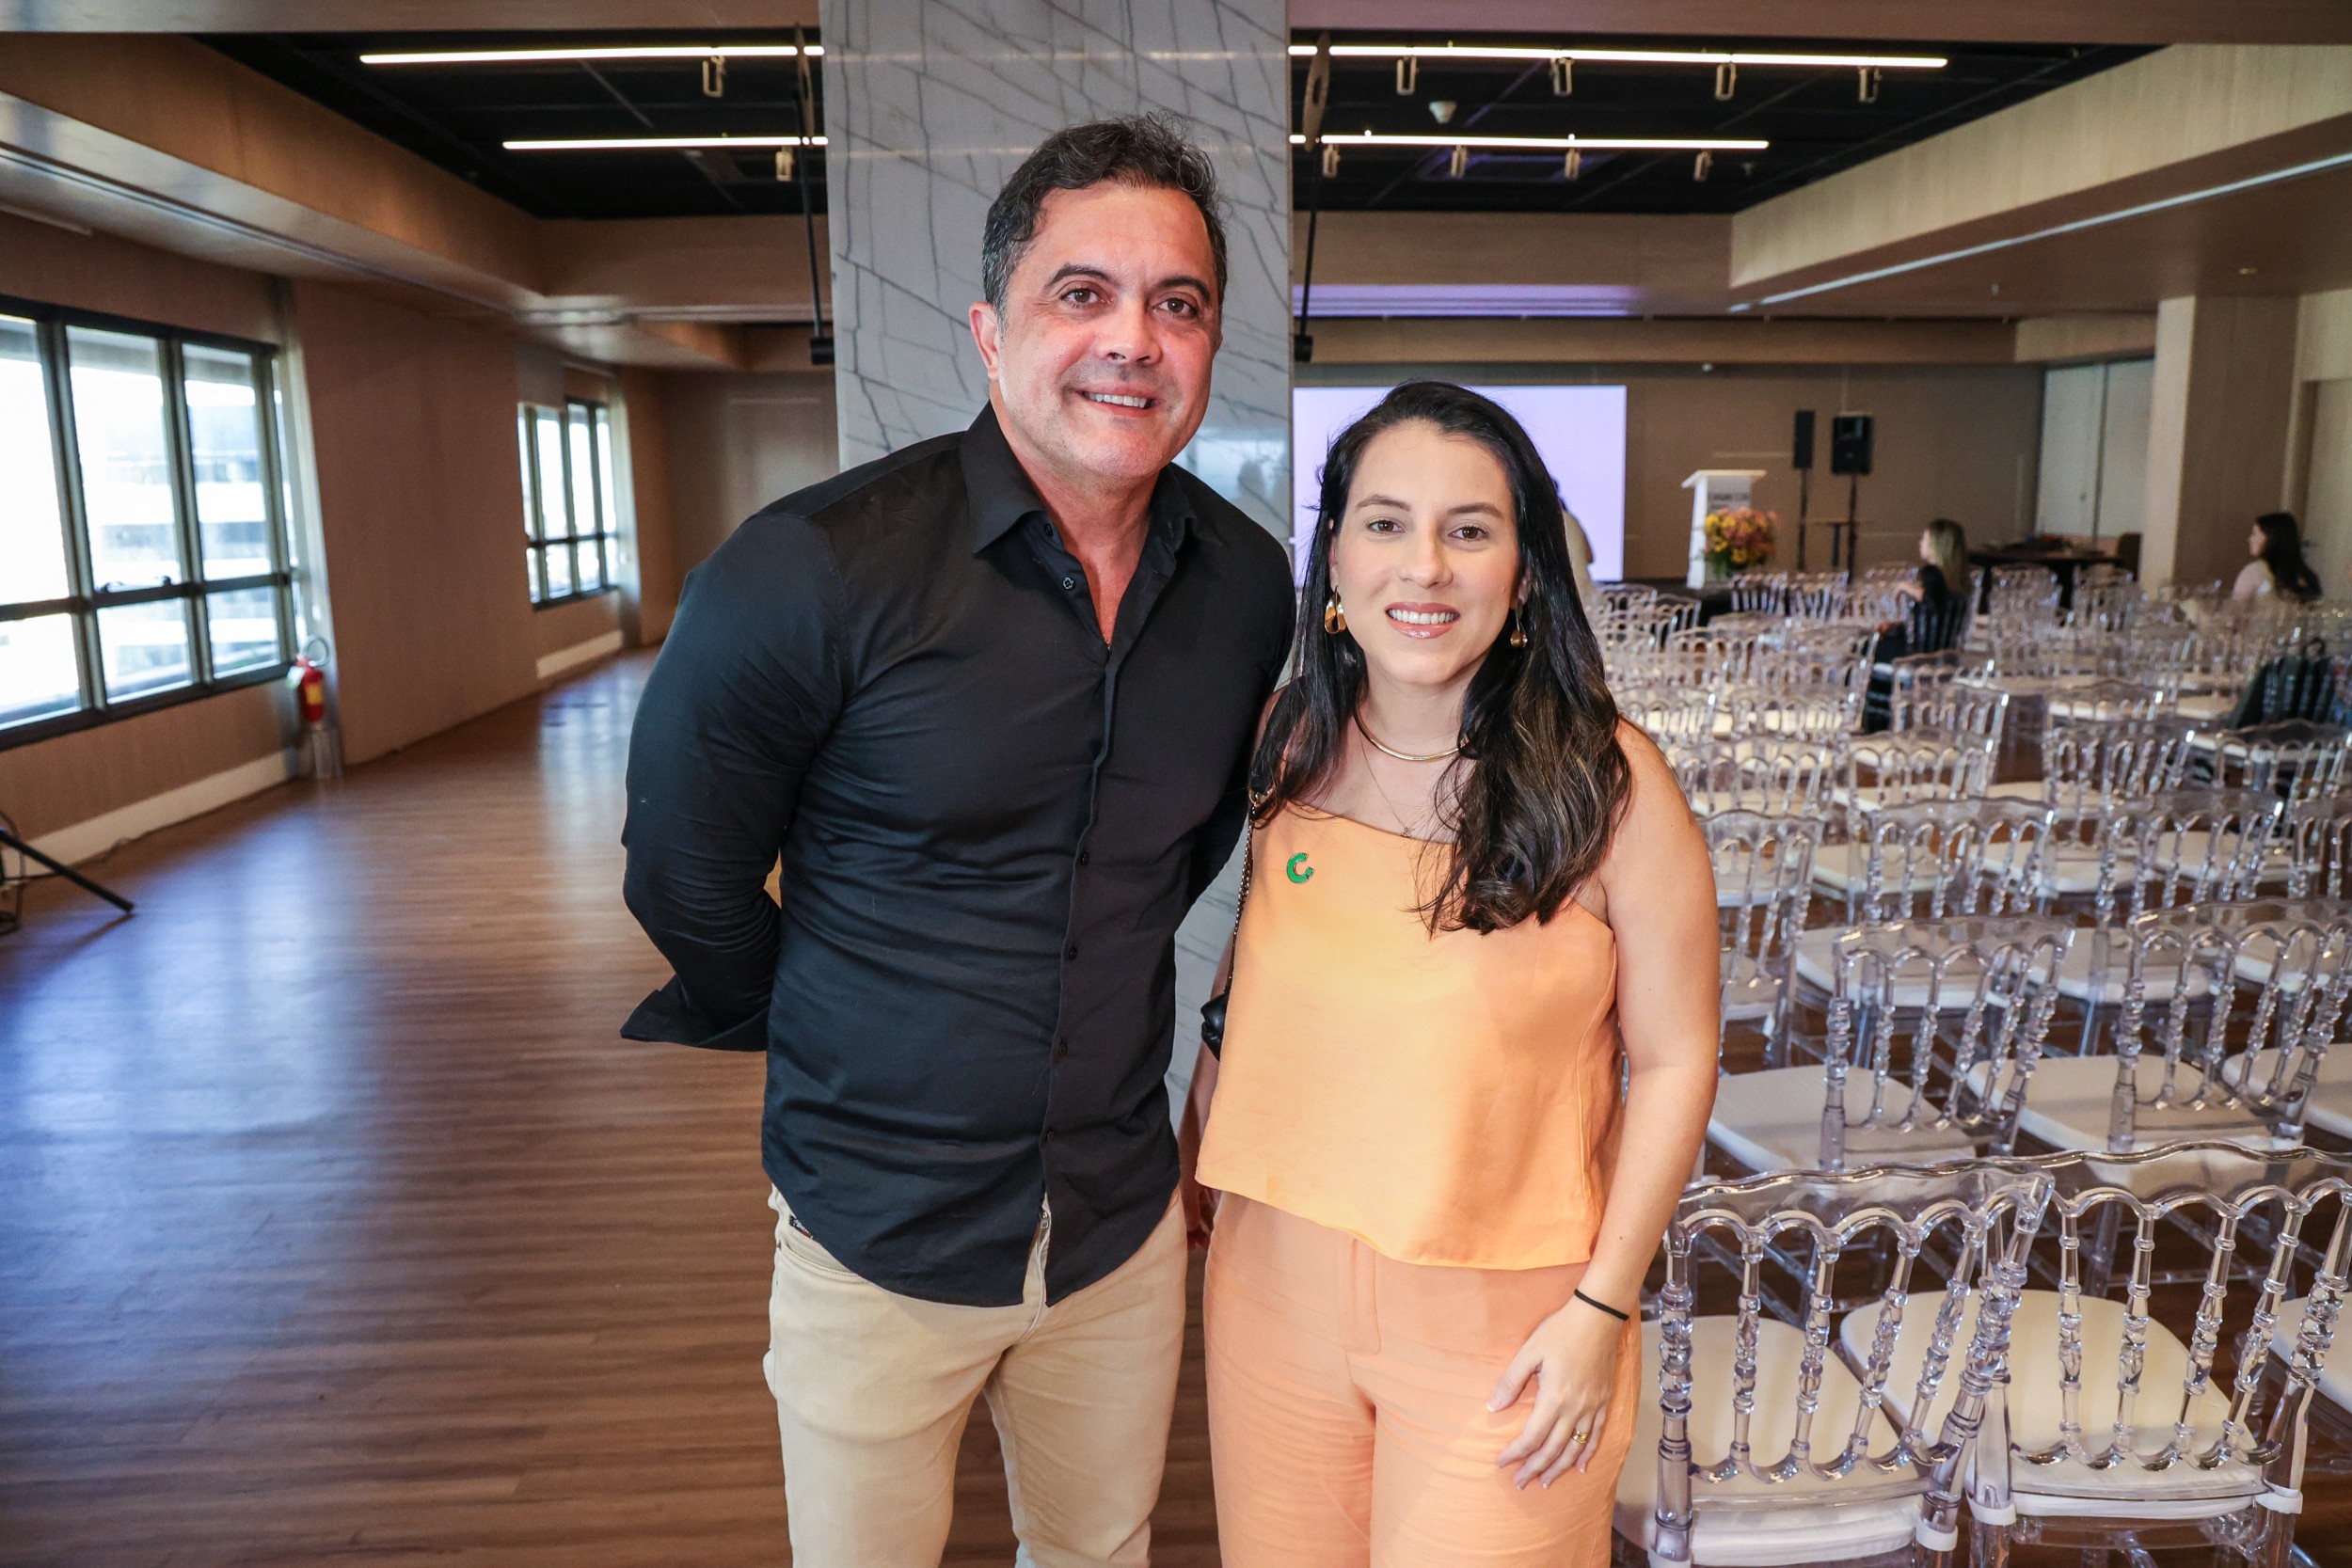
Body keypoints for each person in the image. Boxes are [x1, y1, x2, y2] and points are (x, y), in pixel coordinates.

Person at [619, 116, 1294, 1568]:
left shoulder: (1247, 587)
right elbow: (685, 875)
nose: (1133, 339)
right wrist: (846, 1032)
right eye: (1081, 292)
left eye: (1177, 303)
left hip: (1116, 1224)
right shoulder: (811, 569)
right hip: (876, 1229)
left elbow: (1177, 855)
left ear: (1209, 343)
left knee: (1101, 1548)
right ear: (991, 333)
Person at [1180, 382, 1720, 1568]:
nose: (1422, 565)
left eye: (1468, 530)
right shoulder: (1287, 739)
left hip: (1509, 1312)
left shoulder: (1609, 783)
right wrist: (1200, 1111)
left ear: (1522, 573)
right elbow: (1261, 951)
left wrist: (1603, 1305)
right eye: (1384, 523)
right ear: (1334, 557)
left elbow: (1679, 1058)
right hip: (1272, 1281)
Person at [1862, 517, 1970, 730]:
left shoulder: (1932, 573)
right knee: (1882, 643)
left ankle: (1875, 718)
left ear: (1936, 546)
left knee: (1868, 648)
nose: (1920, 543)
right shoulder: (1959, 580)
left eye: (1924, 539)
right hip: (1945, 655)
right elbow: (1931, 615)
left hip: (1919, 655)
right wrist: (1896, 625)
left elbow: (1929, 599)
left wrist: (1905, 587)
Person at [2233, 510, 2322, 605]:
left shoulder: (2254, 571)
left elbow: (2234, 610)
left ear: (2270, 537)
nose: (2250, 539)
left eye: (2254, 534)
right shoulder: (2308, 577)